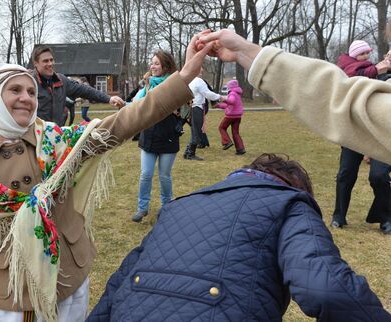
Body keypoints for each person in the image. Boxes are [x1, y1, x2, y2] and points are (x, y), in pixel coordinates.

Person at [0, 32, 213, 322]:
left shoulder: (59, 142)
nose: (27, 97)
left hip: (70, 279)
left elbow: (124, 122)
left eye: (31, 91)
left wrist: (182, 77)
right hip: (14, 294)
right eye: (15, 90)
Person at [88, 153, 391, 321]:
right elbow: (324, 286)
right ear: (295, 186)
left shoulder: (179, 205)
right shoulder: (288, 201)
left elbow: (118, 283)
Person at [195, 29, 391, 164]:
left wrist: (220, 100)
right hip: (234, 112)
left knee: (225, 129)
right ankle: (235, 146)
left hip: (228, 113)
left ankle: (227, 145)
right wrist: (242, 51)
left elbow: (345, 102)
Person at [331, 40, 391, 233]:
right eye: (387, 55)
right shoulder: (364, 71)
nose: (387, 58)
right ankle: (338, 216)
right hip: (355, 131)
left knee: (379, 176)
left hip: (381, 134)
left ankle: (386, 218)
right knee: (346, 174)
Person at [131, 50, 181, 223]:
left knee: (164, 175)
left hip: (168, 136)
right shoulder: (148, 85)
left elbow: (186, 105)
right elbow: (135, 103)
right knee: (145, 173)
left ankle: (167, 206)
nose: (152, 66)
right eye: (152, 63)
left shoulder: (175, 84)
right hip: (149, 136)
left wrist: (178, 110)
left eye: (156, 63)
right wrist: (124, 105)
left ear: (166, 66)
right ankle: (142, 208)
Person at [32, 45, 125, 126]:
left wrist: (108, 98)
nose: (50, 64)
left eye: (51, 60)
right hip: (34, 138)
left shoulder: (61, 81)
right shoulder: (29, 82)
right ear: (36, 63)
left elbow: (85, 90)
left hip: (56, 136)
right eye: (45, 61)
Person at [183, 67, 222, 160]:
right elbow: (208, 94)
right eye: (200, 69)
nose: (202, 71)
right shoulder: (199, 81)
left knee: (194, 131)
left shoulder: (190, 81)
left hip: (192, 108)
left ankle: (187, 152)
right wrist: (220, 97)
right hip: (197, 108)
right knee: (197, 132)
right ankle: (190, 154)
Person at [214, 79, 246, 155]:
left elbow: (231, 101)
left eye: (228, 86)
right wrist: (218, 105)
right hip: (238, 116)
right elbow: (229, 105)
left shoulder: (232, 93)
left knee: (221, 127)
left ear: (230, 87)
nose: (227, 88)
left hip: (231, 116)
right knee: (235, 132)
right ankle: (240, 149)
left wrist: (223, 99)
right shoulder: (237, 93)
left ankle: (227, 142)